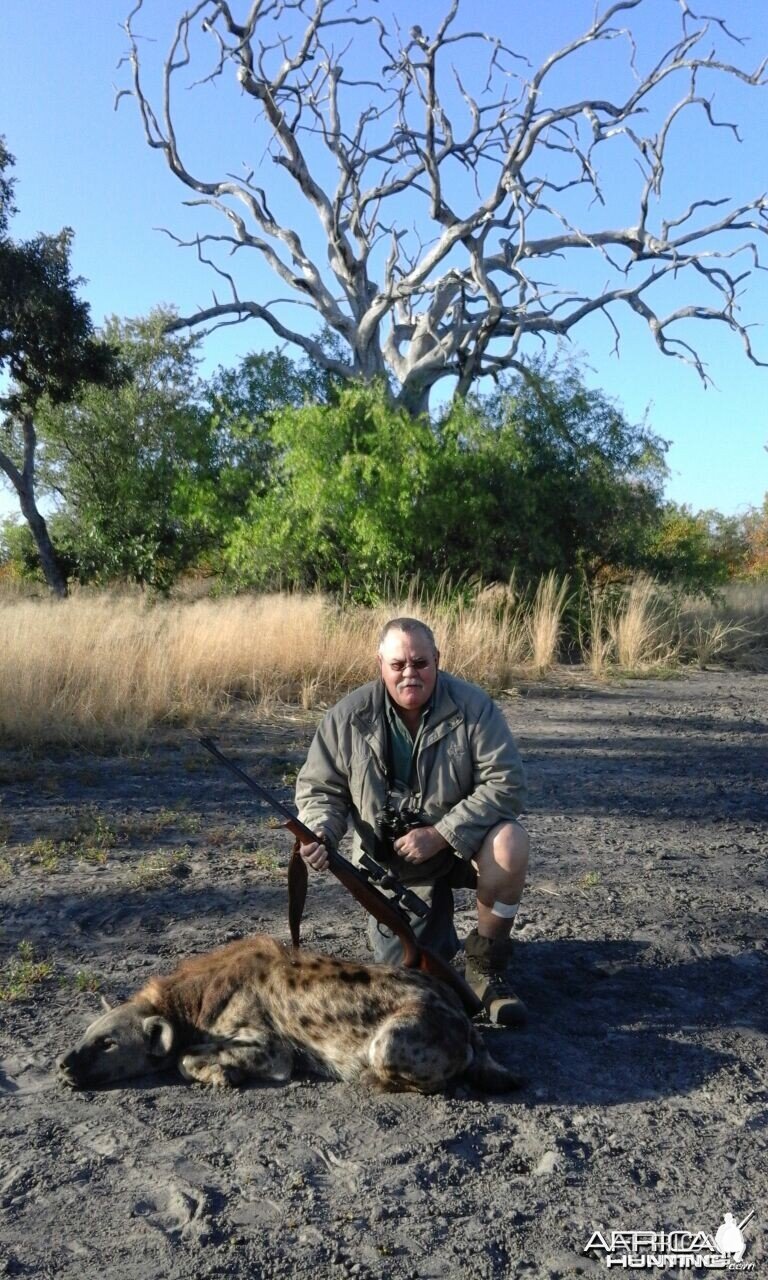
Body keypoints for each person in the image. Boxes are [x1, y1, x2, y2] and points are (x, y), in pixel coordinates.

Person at [295, 617, 530, 1025]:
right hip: (391, 863)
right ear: (380, 665)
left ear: (437, 660)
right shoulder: (345, 717)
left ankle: (487, 966)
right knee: (411, 975)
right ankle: (442, 950)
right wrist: (321, 832)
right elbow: (320, 791)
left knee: (509, 843)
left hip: (460, 846)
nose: (410, 673)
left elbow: (506, 784)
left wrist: (442, 833)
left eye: (420, 663)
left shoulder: (474, 707)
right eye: (398, 664)